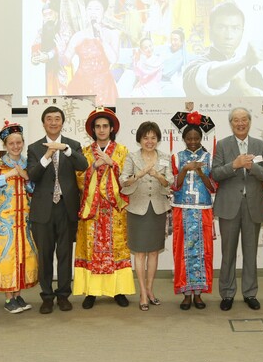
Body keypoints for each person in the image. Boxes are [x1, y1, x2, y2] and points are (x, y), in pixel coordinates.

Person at [27, 106, 89, 314]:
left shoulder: (73, 145)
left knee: (64, 254)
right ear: (43, 123)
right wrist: (47, 155)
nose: (53, 122)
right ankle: (46, 296)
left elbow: (83, 165)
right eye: (49, 119)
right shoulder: (34, 148)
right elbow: (32, 175)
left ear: (63, 122)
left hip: (66, 208)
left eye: (57, 119)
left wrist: (65, 149)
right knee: (44, 255)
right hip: (43, 210)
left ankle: (63, 295)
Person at [210, 107, 263, 311]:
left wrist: (251, 167)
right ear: (231, 123)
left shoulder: (261, 145)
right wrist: (234, 165)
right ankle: (227, 293)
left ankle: (250, 293)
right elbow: (215, 174)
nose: (240, 123)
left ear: (249, 121)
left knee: (250, 252)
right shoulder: (222, 145)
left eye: (244, 119)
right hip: (229, 206)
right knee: (227, 253)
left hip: (252, 205)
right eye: (236, 120)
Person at [73, 107, 135, 309]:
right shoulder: (84, 153)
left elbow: (127, 180)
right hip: (92, 210)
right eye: (97, 126)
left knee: (116, 250)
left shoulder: (122, 151)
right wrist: (92, 167)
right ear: (92, 129)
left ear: (111, 129)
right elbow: (78, 180)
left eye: (105, 126)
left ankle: (118, 291)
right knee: (91, 250)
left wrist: (113, 165)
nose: (101, 130)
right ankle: (91, 292)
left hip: (114, 209)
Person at [0, 121, 39, 314]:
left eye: (19, 142)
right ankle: (8, 298)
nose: (15, 146)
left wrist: (27, 178)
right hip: (4, 222)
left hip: (25, 221)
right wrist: (10, 174)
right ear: (5, 145)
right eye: (11, 143)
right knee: (6, 256)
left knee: (24, 256)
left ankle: (18, 295)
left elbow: (34, 190)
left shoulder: (29, 164)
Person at [121, 121, 173, 311]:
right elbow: (123, 182)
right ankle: (142, 292)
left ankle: (150, 290)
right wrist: (140, 174)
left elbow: (170, 183)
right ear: (139, 139)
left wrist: (158, 176)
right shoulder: (131, 157)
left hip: (158, 209)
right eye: (145, 137)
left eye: (153, 137)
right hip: (137, 209)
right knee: (140, 252)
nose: (149, 141)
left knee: (153, 251)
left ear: (158, 139)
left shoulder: (165, 158)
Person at [170, 111, 217, 310]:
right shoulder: (178, 157)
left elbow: (213, 186)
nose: (192, 142)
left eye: (196, 138)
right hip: (182, 209)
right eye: (189, 138)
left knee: (203, 252)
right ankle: (185, 293)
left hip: (202, 209)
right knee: (182, 251)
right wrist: (185, 169)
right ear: (183, 139)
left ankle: (198, 293)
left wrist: (198, 170)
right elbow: (174, 185)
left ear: (201, 138)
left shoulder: (208, 157)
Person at [182, 0, 263, 97]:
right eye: (221, 27)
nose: (229, 36)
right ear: (210, 32)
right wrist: (243, 62)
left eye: (235, 28)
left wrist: (241, 83)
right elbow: (209, 76)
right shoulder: (194, 66)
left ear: (242, 32)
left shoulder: (251, 71)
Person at [64, 0, 120, 105]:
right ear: (86, 11)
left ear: (103, 12)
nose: (93, 12)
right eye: (90, 9)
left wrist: (102, 39)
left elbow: (113, 59)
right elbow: (66, 60)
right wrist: (60, 51)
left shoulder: (112, 34)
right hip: (81, 86)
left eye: (97, 9)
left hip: (104, 88)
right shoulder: (78, 36)